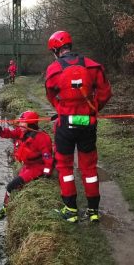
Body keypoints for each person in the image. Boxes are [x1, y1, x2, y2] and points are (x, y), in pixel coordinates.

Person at [44, 30, 112, 223]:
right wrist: (93, 108)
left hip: (65, 124)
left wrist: (61, 108)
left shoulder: (53, 70)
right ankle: (93, 211)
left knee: (65, 167)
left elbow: (50, 94)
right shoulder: (92, 66)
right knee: (89, 167)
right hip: (88, 124)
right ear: (70, 46)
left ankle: (71, 210)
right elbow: (106, 92)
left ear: (56, 50)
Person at [0, 110, 54, 220]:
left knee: (11, 185)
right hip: (27, 166)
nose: (20, 124)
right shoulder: (21, 132)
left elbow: (48, 159)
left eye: (23, 122)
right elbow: (5, 133)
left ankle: (5, 210)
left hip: (37, 168)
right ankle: (5, 208)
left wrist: (46, 173)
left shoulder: (42, 138)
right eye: (21, 122)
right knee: (15, 186)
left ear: (31, 124)